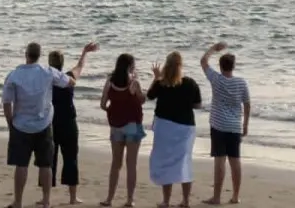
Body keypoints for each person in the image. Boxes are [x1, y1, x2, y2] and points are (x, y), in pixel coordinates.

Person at [3, 41, 96, 208]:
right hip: (45, 124)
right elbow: (71, 81)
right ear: (39, 56)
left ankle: (18, 202)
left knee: (21, 165)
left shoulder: (14, 74)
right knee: (47, 164)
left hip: (22, 125)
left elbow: (6, 102)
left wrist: (10, 123)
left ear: (26, 54)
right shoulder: (48, 73)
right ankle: (47, 201)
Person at [146, 52, 202, 208]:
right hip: (185, 127)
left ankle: (166, 201)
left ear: (166, 65)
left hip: (164, 126)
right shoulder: (190, 83)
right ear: (181, 65)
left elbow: (149, 96)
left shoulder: (161, 83)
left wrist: (156, 77)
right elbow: (198, 105)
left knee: (166, 162)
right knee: (184, 162)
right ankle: (185, 200)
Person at [199, 44, 250, 205]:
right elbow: (247, 104)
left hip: (218, 125)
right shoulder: (241, 83)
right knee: (235, 161)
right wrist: (245, 124)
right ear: (233, 66)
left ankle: (217, 197)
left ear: (221, 67)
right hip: (234, 126)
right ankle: (235, 196)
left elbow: (203, 61)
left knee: (219, 161)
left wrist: (213, 48)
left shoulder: (217, 79)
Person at [99, 53, 145, 207]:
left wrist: (113, 110)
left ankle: (109, 199)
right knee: (131, 164)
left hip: (116, 126)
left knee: (115, 164)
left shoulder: (110, 81)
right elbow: (142, 100)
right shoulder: (133, 82)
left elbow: (103, 104)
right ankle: (129, 200)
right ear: (130, 66)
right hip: (132, 125)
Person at [47, 49, 87, 204]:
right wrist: (84, 52)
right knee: (71, 158)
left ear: (49, 63)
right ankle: (72, 197)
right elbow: (80, 66)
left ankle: (46, 197)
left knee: (49, 160)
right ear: (62, 63)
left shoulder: (47, 81)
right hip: (68, 122)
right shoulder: (69, 78)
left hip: (51, 122)